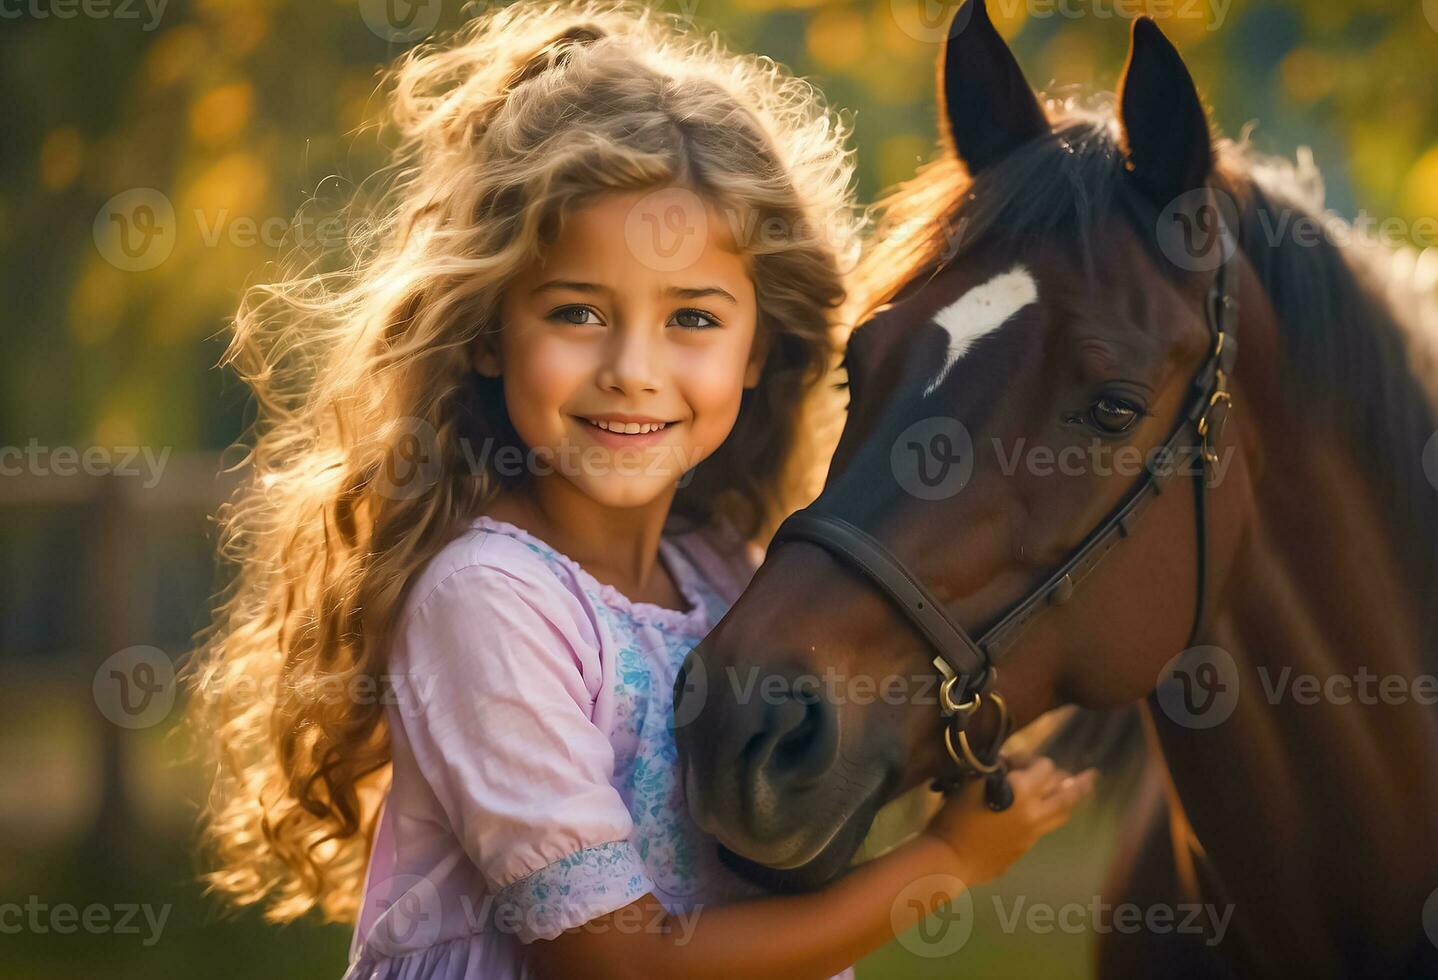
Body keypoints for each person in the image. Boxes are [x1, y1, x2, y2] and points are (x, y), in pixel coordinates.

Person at [189, 3, 1096, 977]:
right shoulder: (491, 601)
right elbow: (621, 963)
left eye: (692, 318)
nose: (632, 368)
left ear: (759, 349)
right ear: (489, 333)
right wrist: (943, 861)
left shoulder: (722, 573)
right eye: (577, 310)